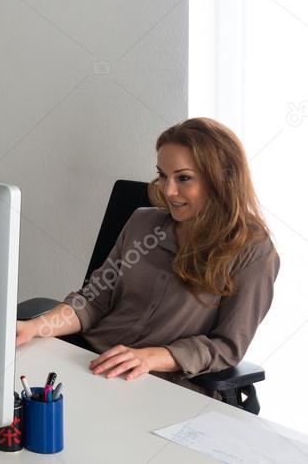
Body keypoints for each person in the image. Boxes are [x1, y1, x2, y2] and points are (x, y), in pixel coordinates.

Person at [16, 118, 279, 394]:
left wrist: (151, 356)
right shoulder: (143, 223)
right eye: (163, 175)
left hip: (160, 382)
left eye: (183, 178)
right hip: (89, 361)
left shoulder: (253, 250)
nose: (168, 191)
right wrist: (35, 327)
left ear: (220, 179)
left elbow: (227, 346)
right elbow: (93, 300)